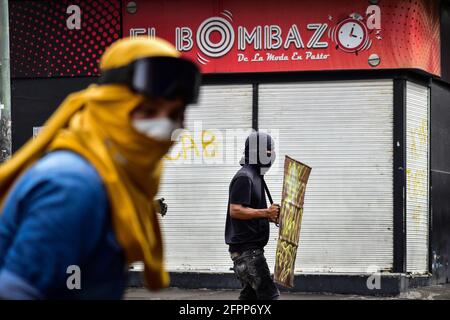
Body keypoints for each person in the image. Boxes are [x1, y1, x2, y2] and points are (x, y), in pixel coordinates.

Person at [0, 37, 201, 299]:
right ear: (112, 108)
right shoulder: (74, 185)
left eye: (176, 116)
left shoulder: (116, 179)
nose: (171, 128)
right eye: (149, 111)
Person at [225, 131, 281, 300]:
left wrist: (269, 216)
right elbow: (235, 210)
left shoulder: (257, 176)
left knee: (250, 298)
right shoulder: (245, 176)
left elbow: (251, 212)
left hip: (250, 250)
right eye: (268, 152)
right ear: (257, 152)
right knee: (270, 296)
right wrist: (265, 212)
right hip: (247, 252)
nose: (271, 156)